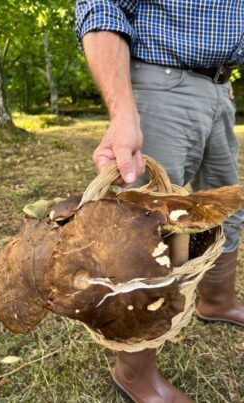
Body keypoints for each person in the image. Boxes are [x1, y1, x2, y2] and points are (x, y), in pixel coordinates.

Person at [76, 1, 244, 401]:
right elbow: (101, 7)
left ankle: (217, 301)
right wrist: (122, 113)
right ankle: (135, 371)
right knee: (145, 241)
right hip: (159, 84)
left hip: (218, 87)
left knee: (225, 210)